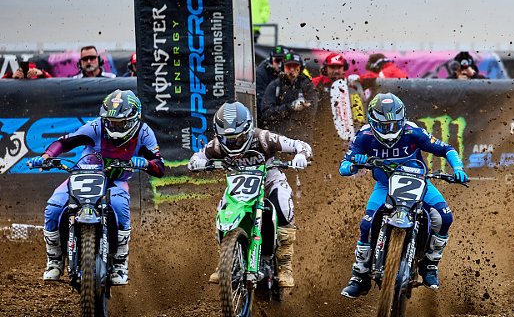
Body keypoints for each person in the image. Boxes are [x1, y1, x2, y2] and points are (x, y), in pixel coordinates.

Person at [26, 90, 164, 285]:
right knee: (53, 207)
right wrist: (46, 157)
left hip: (115, 181)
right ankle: (54, 260)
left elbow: (159, 166)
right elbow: (65, 142)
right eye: (110, 121)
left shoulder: (144, 133)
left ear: (133, 119)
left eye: (120, 122)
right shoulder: (95, 127)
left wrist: (146, 163)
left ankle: (119, 264)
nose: (114, 125)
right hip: (85, 175)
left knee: (120, 206)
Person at [338, 93, 468, 298]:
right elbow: (344, 167)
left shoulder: (413, 132)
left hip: (418, 182)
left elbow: (446, 149)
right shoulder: (363, 136)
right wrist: (355, 163)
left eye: (393, 124)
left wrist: (458, 168)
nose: (389, 130)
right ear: (373, 122)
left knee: (444, 217)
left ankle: (430, 265)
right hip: (385, 185)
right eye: (383, 125)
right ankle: (359, 276)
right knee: (366, 225)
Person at [188, 101, 312, 288]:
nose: (233, 142)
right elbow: (195, 158)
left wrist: (301, 156)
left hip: (270, 179)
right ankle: (225, 261)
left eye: (237, 138)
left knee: (283, 207)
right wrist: (197, 163)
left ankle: (285, 267)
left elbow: (300, 145)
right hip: (239, 185)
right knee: (222, 212)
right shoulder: (216, 145)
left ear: (247, 130)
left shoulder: (263, 138)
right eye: (228, 139)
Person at [259, 53, 317, 138]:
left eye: (295, 66)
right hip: (278, 139)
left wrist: (302, 108)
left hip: (302, 138)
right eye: (289, 66)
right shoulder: (275, 85)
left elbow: (312, 112)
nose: (292, 70)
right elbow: (266, 113)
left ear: (300, 68)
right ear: (283, 68)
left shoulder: (308, 86)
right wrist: (291, 107)